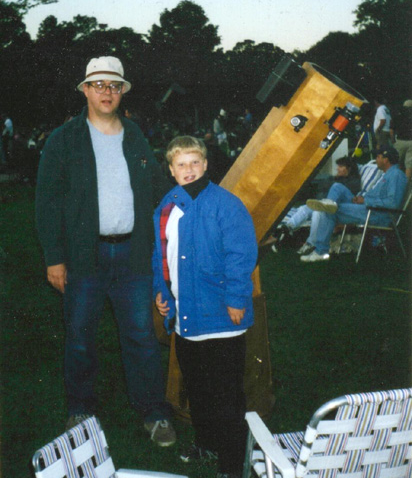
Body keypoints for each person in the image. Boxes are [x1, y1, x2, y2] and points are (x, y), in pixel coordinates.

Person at [35, 56, 176, 446]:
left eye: (113, 86)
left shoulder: (135, 135)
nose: (106, 92)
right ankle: (80, 411)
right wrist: (54, 257)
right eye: (98, 85)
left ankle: (153, 412)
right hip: (84, 258)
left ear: (122, 91)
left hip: (132, 256)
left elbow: (158, 190)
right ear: (85, 90)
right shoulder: (63, 140)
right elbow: (46, 203)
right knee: (80, 338)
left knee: (141, 336)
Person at [152, 136, 257, 478]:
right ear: (171, 170)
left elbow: (241, 255)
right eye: (181, 164)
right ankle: (207, 443)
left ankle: (232, 463)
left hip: (223, 317)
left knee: (226, 396)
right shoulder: (166, 207)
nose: (189, 169)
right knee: (197, 389)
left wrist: (237, 299)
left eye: (195, 162)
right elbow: (161, 258)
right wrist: (161, 292)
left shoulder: (226, 204)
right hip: (187, 320)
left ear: (206, 164)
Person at [299, 146, 408, 262]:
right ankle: (329, 203)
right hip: (367, 206)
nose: (376, 160)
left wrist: (365, 201)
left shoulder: (396, 175)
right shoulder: (387, 174)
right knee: (337, 187)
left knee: (330, 211)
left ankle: (320, 251)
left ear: (386, 160)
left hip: (377, 214)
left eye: (378, 157)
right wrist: (362, 199)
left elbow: (393, 203)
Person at [270, 156, 361, 255]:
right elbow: (321, 191)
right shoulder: (333, 179)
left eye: (340, 166)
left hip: (339, 207)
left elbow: (348, 197)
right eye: (338, 166)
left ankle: (291, 235)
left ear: (349, 168)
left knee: (315, 210)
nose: (337, 168)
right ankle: (287, 228)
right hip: (324, 203)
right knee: (305, 208)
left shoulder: (353, 182)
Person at [390, 99, 412, 180]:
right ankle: (406, 184)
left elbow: (392, 130)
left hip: (400, 141)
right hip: (411, 142)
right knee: (409, 164)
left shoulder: (398, 116)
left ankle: (397, 180)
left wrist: (393, 140)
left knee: (397, 161)